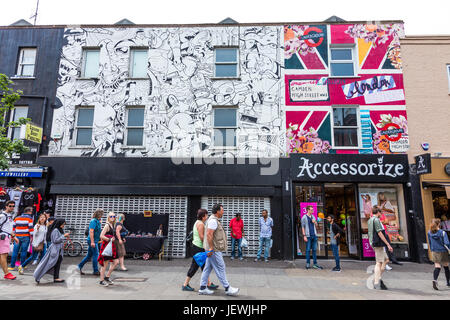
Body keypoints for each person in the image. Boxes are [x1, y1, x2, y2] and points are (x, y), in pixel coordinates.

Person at [198, 204, 239, 296]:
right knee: (220, 267)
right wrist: (211, 248)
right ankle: (227, 288)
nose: (223, 211)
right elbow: (209, 234)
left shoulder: (213, 220)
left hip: (212, 249)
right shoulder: (213, 221)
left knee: (207, 268)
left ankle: (202, 288)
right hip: (214, 250)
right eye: (222, 210)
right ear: (217, 211)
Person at [182, 209, 218, 291]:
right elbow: (202, 237)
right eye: (206, 215)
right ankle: (185, 284)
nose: (207, 216)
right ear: (203, 216)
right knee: (194, 267)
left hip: (197, 247)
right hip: (198, 248)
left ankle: (208, 283)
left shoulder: (197, 222)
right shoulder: (201, 224)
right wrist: (207, 247)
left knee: (204, 266)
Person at [33, 218, 70, 283]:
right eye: (63, 224)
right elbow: (55, 240)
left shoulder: (59, 230)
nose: (63, 226)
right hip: (55, 250)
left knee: (56, 264)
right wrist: (64, 236)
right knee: (48, 264)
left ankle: (56, 277)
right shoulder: (55, 230)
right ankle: (38, 276)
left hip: (58, 250)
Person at [368, 206, 393, 290]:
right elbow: (380, 233)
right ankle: (376, 282)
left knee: (386, 260)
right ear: (378, 212)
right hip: (378, 243)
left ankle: (377, 278)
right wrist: (387, 244)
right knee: (379, 262)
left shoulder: (370, 220)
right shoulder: (376, 220)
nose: (381, 214)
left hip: (374, 242)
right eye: (381, 213)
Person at [78, 209, 103, 275]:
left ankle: (78, 267)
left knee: (89, 256)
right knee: (96, 255)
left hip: (95, 240)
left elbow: (98, 232)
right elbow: (91, 231)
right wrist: (92, 242)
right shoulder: (93, 221)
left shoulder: (97, 221)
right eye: (101, 214)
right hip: (92, 241)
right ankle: (95, 271)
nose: (102, 215)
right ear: (99, 214)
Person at [98, 211, 119, 287]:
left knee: (116, 262)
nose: (112, 218)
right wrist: (109, 239)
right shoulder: (107, 225)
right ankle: (101, 280)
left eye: (114, 216)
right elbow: (101, 236)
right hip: (107, 246)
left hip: (112, 246)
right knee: (105, 264)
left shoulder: (113, 225)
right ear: (108, 217)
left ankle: (107, 277)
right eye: (111, 216)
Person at [427, 218, 450, 290]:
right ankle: (448, 282)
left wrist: (431, 250)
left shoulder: (429, 232)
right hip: (443, 251)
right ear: (438, 224)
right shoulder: (442, 232)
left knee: (437, 266)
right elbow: (447, 243)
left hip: (434, 251)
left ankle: (435, 280)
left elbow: (430, 242)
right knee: (446, 266)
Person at [0, 201, 18, 280]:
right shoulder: (3, 216)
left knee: (3, 256)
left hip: (6, 237)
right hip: (3, 237)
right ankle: (7, 273)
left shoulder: (9, 216)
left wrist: (14, 236)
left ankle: (6, 273)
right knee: (3, 255)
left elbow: (8, 228)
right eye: (10, 206)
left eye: (13, 206)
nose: (12, 207)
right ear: (6, 206)